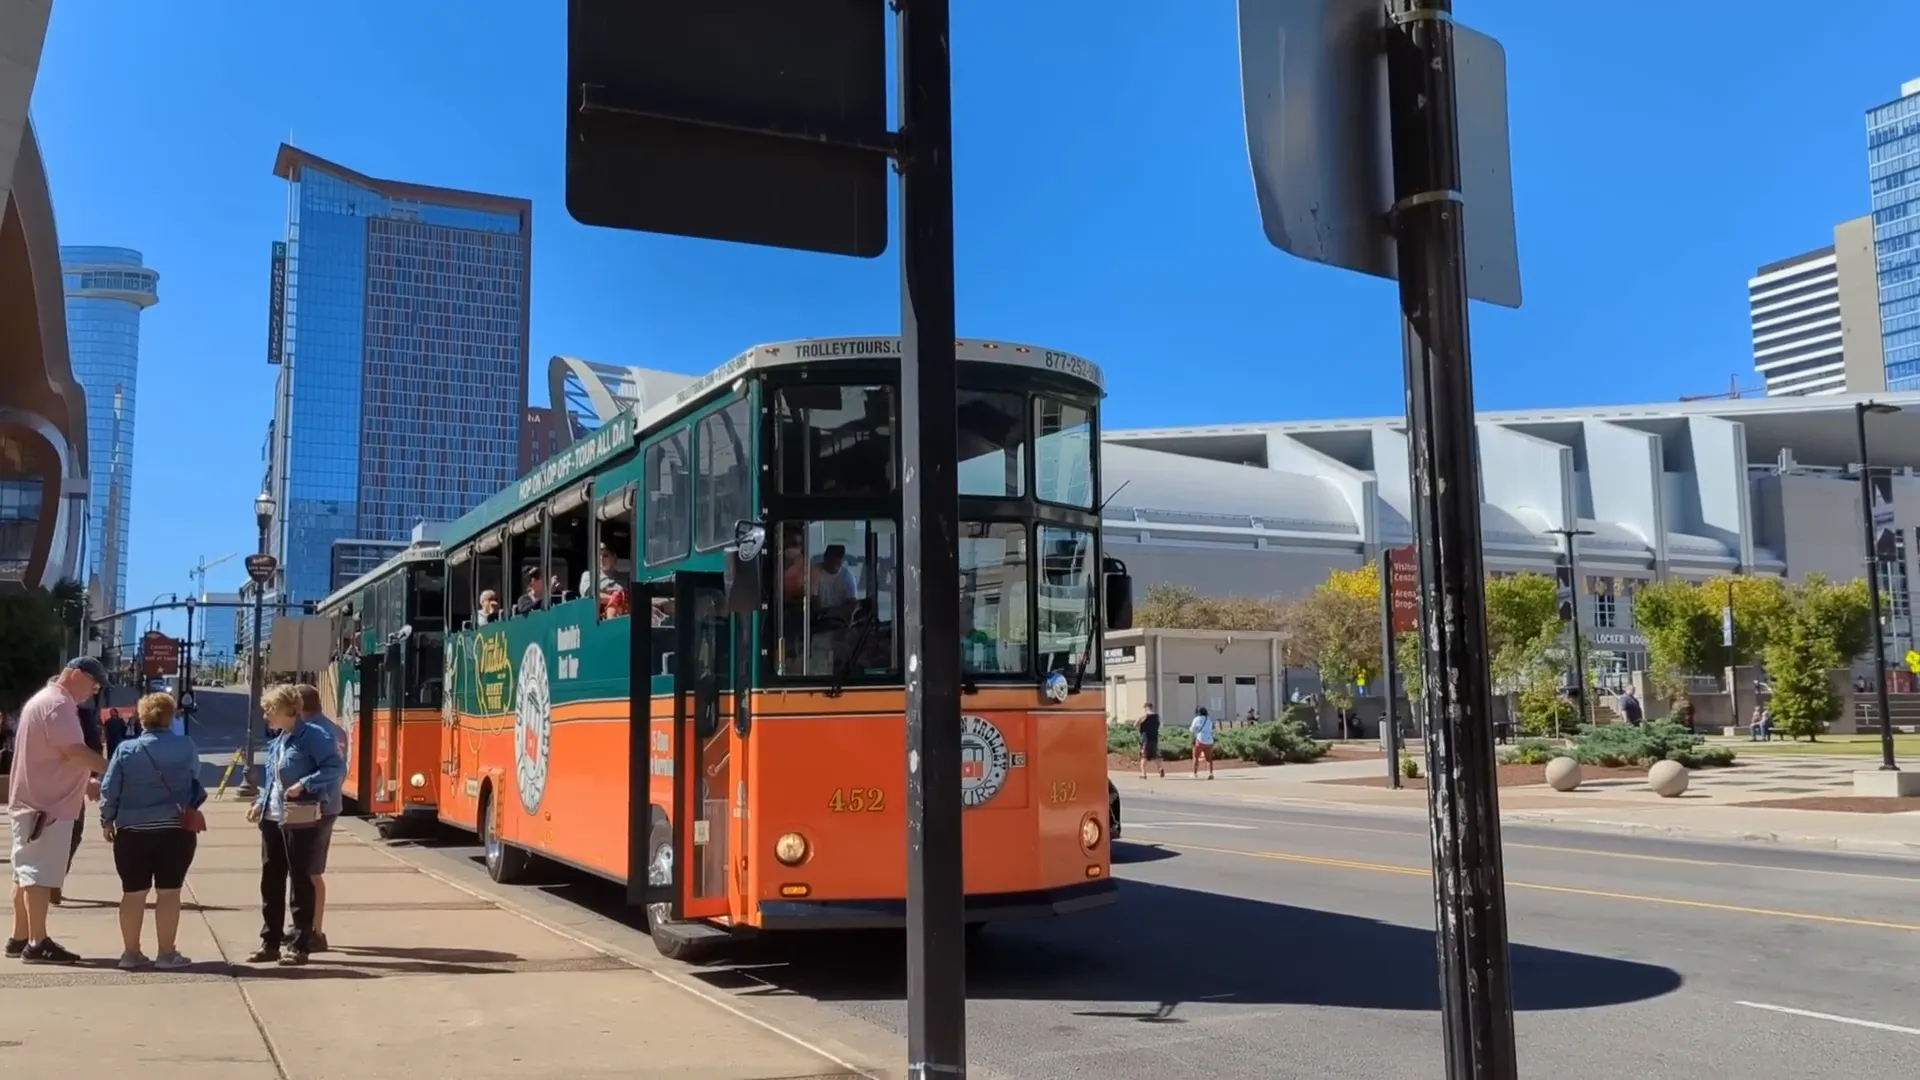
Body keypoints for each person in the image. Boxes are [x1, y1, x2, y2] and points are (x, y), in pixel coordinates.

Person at [7, 657, 109, 964]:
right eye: (94, 684)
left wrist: (87, 779)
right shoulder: (58, 704)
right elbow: (73, 751)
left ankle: (20, 937)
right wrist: (113, 769)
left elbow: (62, 753)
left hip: (35, 805)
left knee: (24, 874)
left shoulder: (44, 700)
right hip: (47, 808)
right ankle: (38, 943)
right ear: (77, 675)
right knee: (37, 877)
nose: (94, 691)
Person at [98, 692, 205, 970]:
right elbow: (194, 776)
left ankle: (130, 954)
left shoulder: (125, 750)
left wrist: (107, 820)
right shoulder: (186, 746)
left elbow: (110, 790)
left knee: (133, 893)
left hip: (132, 831)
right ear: (171, 717)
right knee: (169, 892)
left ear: (141, 718)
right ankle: (167, 954)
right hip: (175, 830)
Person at [246, 684, 345, 966]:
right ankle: (270, 942)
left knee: (300, 880)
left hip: (300, 816)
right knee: (271, 879)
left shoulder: (313, 736)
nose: (265, 715)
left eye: (269, 709)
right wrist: (259, 802)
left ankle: (301, 943)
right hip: (273, 816)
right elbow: (273, 780)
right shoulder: (279, 740)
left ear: (288, 710)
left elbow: (335, 768)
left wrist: (305, 783)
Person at [294, 684, 346, 953]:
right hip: (329, 805)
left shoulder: (313, 733)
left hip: (315, 808)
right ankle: (305, 926)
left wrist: (313, 795)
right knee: (309, 869)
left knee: (310, 871)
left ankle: (314, 930)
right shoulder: (335, 730)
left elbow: (331, 770)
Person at [1137, 703, 1163, 779]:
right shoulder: (1157, 716)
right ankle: (1160, 768)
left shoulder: (1144, 716)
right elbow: (1159, 724)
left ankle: (1143, 774)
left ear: (1146, 708)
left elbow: (1135, 724)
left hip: (1146, 739)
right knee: (1155, 756)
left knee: (1144, 756)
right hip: (1154, 738)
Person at [1189, 706, 1216, 780]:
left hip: (1200, 739)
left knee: (1196, 757)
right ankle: (1211, 773)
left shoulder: (1196, 719)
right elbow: (1211, 729)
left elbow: (1192, 729)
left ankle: (1195, 773)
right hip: (1209, 740)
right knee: (1209, 758)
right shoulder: (1209, 719)